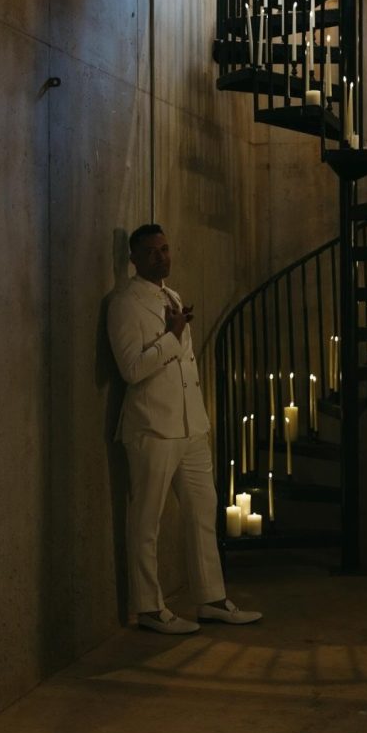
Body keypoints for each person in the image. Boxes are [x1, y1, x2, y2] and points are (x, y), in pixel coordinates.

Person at [107, 223, 262, 634]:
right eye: (152, 252)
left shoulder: (172, 296)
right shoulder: (123, 303)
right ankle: (149, 608)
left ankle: (211, 599)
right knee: (146, 520)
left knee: (201, 513)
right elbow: (132, 369)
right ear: (134, 258)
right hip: (152, 426)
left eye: (166, 249)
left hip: (191, 424)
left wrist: (199, 418)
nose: (162, 257)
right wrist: (173, 337)